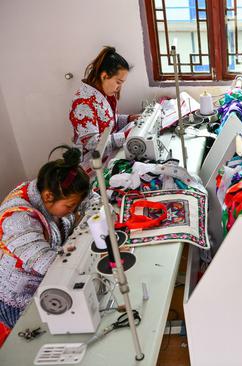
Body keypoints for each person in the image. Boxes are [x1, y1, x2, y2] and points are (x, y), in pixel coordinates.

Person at [0, 146, 90, 346]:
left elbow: (84, 203)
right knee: (39, 345)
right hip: (17, 298)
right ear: (49, 196)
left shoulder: (48, 191)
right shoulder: (18, 220)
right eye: (69, 207)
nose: (73, 211)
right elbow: (50, 265)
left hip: (43, 288)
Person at [69, 46, 139, 174]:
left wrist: (129, 119)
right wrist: (126, 136)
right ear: (104, 75)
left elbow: (109, 122)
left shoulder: (104, 94)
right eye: (118, 82)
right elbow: (93, 143)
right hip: (90, 163)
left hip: (106, 155)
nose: (119, 87)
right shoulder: (83, 103)